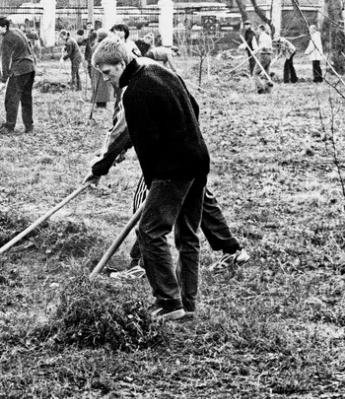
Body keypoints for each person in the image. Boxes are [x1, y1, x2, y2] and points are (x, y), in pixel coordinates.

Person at [89, 38, 210, 320]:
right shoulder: (162, 72)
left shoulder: (135, 92)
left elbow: (141, 139)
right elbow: (194, 108)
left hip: (172, 169)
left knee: (150, 232)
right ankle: (188, 304)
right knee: (188, 234)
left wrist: (106, 166)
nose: (106, 79)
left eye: (108, 72)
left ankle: (169, 303)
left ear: (121, 63)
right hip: (198, 159)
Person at [87, 90, 249, 276]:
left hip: (168, 159)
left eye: (107, 72)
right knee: (200, 198)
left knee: (145, 201)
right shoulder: (162, 77)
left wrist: (107, 159)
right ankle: (233, 251)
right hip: (191, 149)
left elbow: (126, 126)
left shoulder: (133, 85)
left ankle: (141, 264)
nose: (107, 79)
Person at [0, 17, 36, 134]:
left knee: (11, 99)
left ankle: (9, 127)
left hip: (20, 70)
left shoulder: (7, 38)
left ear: (4, 27)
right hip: (30, 68)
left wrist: (3, 79)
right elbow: (29, 47)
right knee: (26, 98)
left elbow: (5, 60)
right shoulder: (17, 31)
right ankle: (29, 126)